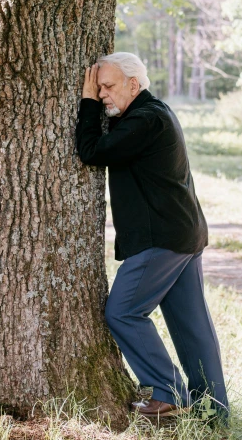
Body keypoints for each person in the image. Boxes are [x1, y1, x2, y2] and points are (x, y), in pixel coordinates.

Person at [75, 52, 228, 420]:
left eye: (108, 87)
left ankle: (169, 391)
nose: (103, 95)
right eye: (99, 90)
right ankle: (213, 413)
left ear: (133, 83)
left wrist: (86, 104)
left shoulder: (145, 119)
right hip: (183, 232)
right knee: (192, 328)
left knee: (123, 312)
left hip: (163, 238)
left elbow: (91, 151)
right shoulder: (154, 112)